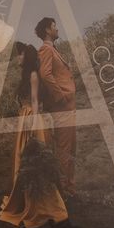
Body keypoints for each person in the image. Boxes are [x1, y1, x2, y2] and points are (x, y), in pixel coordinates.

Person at [0, 42, 68, 228]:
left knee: (33, 159)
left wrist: (34, 125)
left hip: (31, 118)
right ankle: (25, 199)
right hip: (25, 117)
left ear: (26, 57)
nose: (18, 58)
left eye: (20, 54)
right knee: (22, 159)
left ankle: (41, 205)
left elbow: (35, 101)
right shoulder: (27, 75)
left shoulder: (34, 75)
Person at [34, 17, 77, 197]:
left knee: (70, 147)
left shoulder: (52, 49)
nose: (57, 29)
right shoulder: (46, 49)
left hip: (67, 106)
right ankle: (63, 190)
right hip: (62, 106)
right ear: (47, 30)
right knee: (64, 148)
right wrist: (60, 96)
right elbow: (45, 74)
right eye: (54, 26)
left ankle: (68, 187)